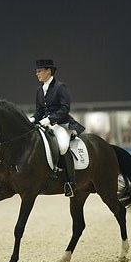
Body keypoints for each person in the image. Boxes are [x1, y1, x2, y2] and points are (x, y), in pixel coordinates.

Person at [29, 59, 85, 197]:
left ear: (48, 71)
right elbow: (39, 111)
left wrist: (49, 119)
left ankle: (70, 183)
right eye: (36, 71)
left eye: (39, 71)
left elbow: (65, 108)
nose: (37, 74)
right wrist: (31, 119)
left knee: (63, 145)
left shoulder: (60, 87)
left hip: (61, 124)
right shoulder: (39, 90)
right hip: (46, 124)